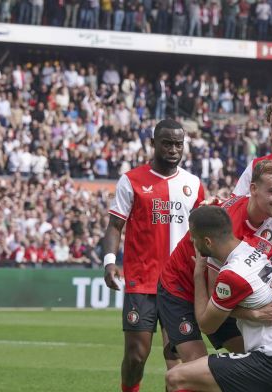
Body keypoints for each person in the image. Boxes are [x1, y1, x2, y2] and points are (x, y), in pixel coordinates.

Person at [158, 159, 272, 362]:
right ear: (253, 189)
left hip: (223, 296)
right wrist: (254, 314)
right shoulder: (229, 227)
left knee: (252, 361)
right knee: (193, 371)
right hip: (181, 286)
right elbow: (215, 297)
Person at [101, 118, 205, 392]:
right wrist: (110, 262)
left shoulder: (193, 184)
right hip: (142, 281)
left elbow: (202, 234)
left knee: (177, 357)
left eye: (178, 144)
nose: (173, 149)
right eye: (167, 143)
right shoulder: (131, 180)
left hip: (180, 284)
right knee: (136, 355)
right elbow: (115, 225)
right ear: (153, 144)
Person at [165, 206, 272, 392]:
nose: (192, 241)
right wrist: (253, 314)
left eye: (193, 238)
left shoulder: (233, 275)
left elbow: (206, 324)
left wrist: (197, 273)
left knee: (176, 377)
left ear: (207, 242)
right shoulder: (257, 247)